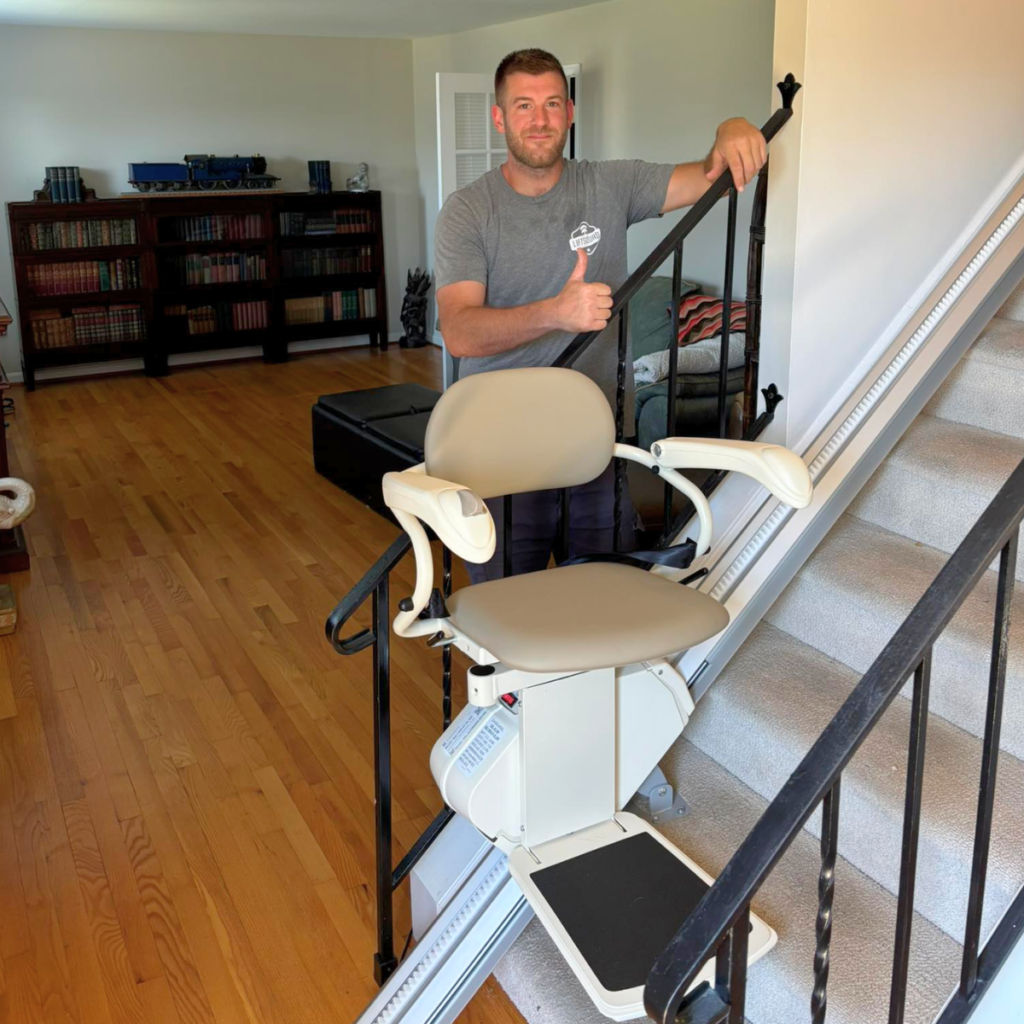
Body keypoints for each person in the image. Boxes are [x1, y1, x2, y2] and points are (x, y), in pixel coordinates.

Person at [434, 48, 766, 583]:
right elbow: (460, 331)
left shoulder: (611, 185)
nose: (539, 120)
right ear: (499, 117)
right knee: (506, 610)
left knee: (604, 596)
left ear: (570, 112)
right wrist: (555, 313)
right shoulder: (469, 211)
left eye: (550, 104)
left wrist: (731, 129)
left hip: (595, 440)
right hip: (502, 448)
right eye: (523, 106)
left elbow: (710, 177)